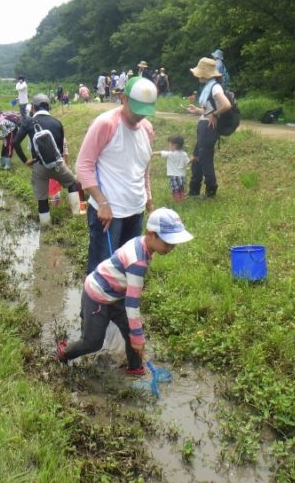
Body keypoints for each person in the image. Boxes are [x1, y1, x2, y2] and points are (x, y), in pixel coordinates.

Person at [54, 207, 193, 374]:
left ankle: (135, 369)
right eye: (167, 242)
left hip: (116, 293)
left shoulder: (144, 243)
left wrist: (136, 335)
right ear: (150, 234)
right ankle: (63, 354)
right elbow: (132, 303)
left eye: (174, 243)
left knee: (131, 332)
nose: (171, 247)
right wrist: (139, 337)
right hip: (97, 295)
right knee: (93, 343)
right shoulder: (137, 262)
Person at [75, 76, 157, 274]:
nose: (140, 116)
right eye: (136, 109)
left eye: (144, 111)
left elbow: (143, 169)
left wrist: (149, 204)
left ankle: (121, 305)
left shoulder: (147, 129)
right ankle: (94, 306)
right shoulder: (106, 124)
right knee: (101, 271)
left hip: (136, 211)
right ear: (123, 98)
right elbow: (83, 166)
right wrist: (102, 203)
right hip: (109, 214)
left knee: (127, 269)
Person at [13, 94, 82, 224]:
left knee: (42, 199)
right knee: (72, 183)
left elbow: (16, 142)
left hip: (39, 166)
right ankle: (77, 215)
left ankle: (45, 228)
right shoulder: (57, 122)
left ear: (33, 107)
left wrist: (25, 160)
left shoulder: (28, 122)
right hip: (57, 164)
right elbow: (61, 149)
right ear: (49, 107)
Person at [186, 57, 231, 199]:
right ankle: (194, 190)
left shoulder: (215, 87)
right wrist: (198, 110)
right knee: (196, 158)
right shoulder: (208, 86)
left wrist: (215, 115)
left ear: (205, 74)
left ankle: (211, 192)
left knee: (205, 160)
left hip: (208, 128)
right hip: (203, 125)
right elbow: (209, 109)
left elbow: (226, 105)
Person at [153, 135, 190, 201]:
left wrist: (152, 153)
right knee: (181, 189)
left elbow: (161, 153)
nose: (169, 146)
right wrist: (194, 158)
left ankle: (177, 200)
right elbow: (188, 162)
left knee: (175, 190)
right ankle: (182, 198)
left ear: (174, 145)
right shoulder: (184, 154)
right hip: (182, 176)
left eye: (170, 144)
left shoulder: (170, 154)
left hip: (174, 176)